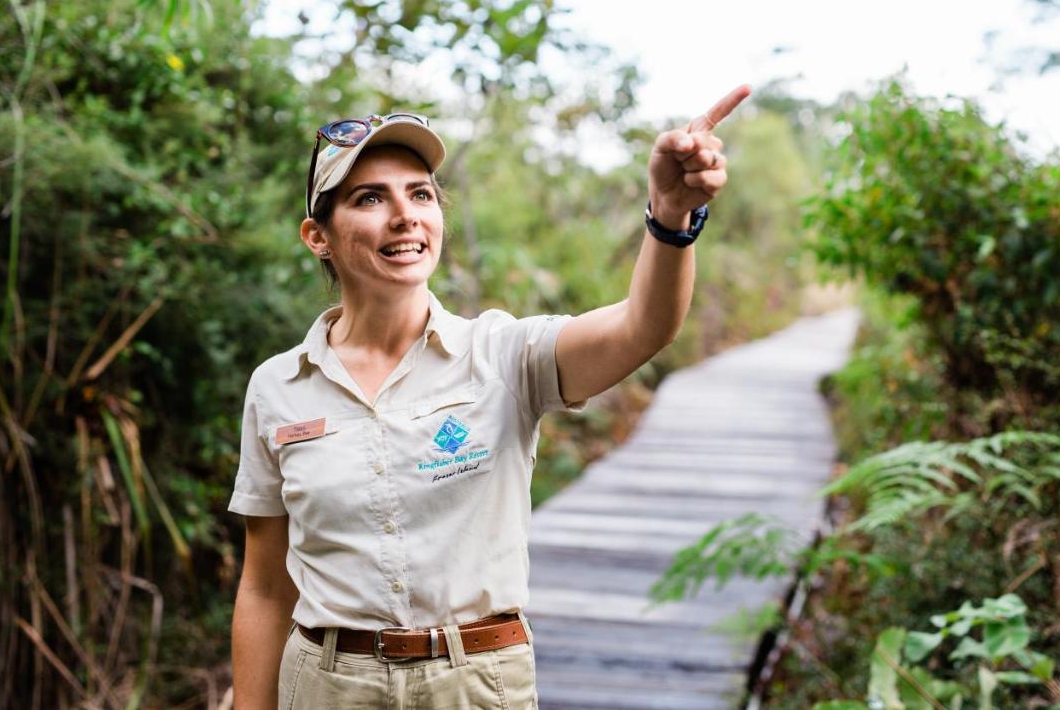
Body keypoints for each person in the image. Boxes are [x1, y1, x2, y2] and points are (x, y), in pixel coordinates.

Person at [228, 84, 750, 709]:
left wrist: (670, 220)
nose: (405, 215)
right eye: (371, 198)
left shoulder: (503, 355)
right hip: (327, 685)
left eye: (420, 194)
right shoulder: (279, 387)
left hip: (474, 683)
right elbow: (264, 586)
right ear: (319, 236)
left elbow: (644, 326)